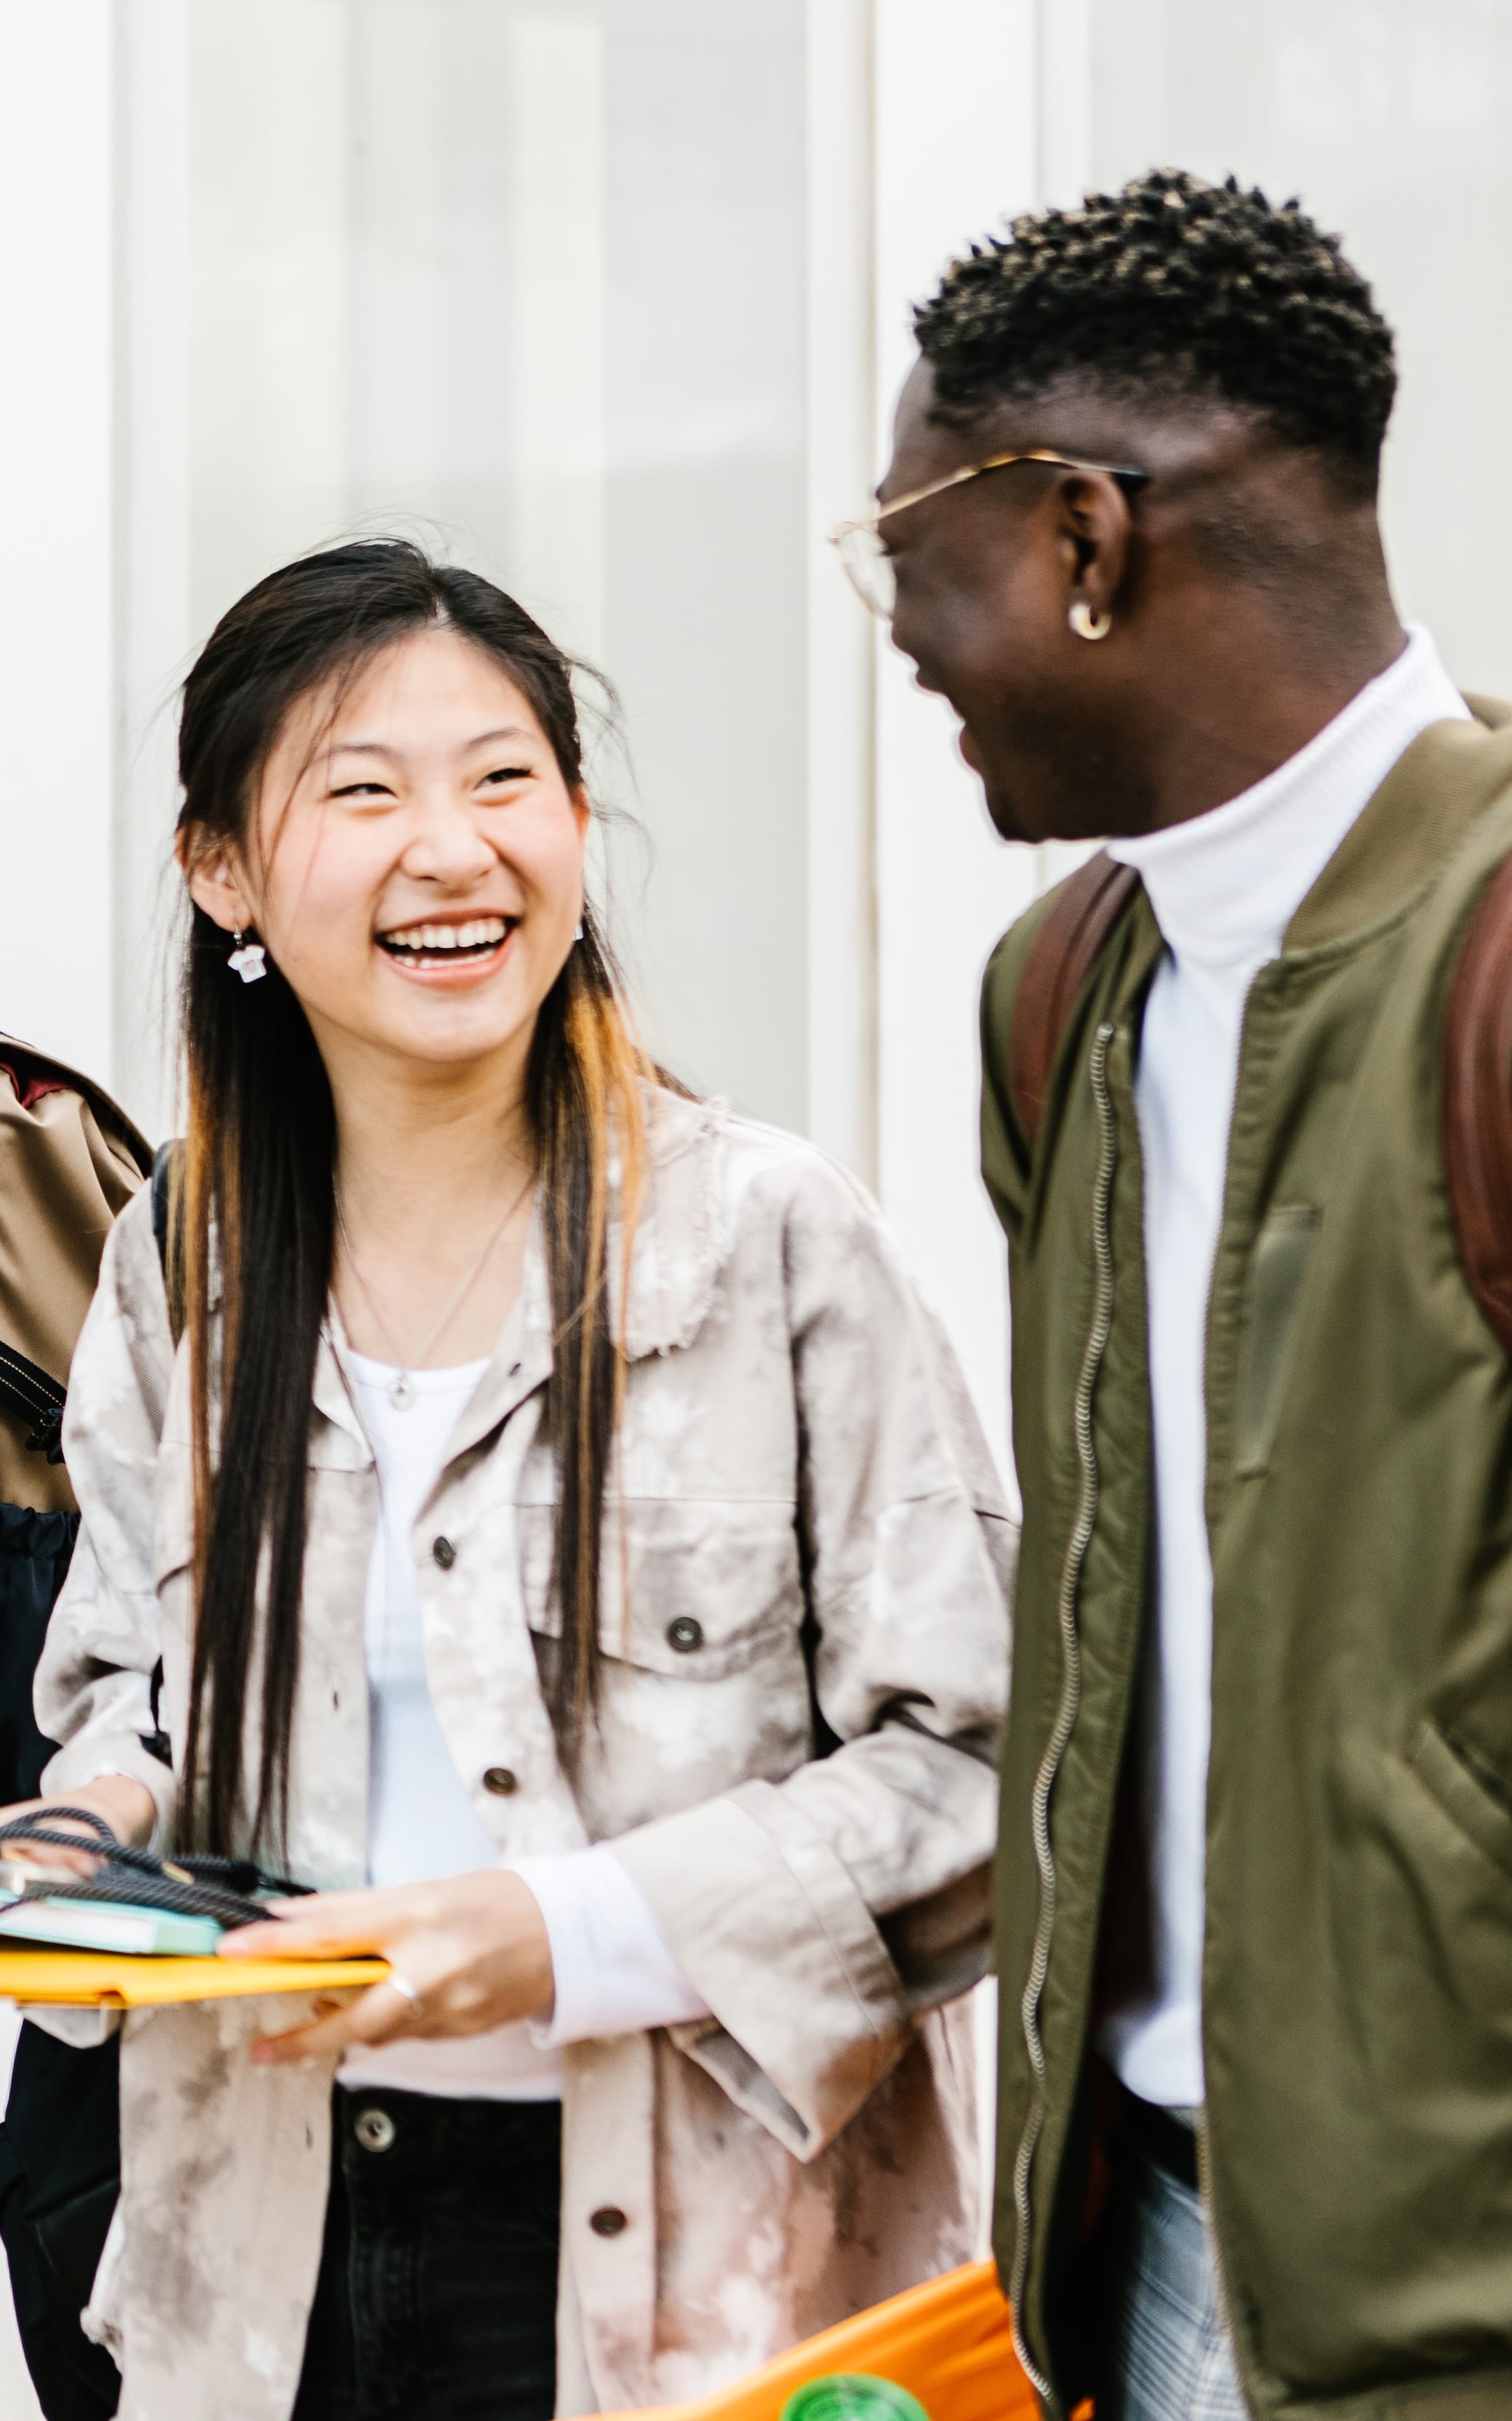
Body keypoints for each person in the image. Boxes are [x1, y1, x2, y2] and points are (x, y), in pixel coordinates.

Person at [1, 540, 1015, 2420]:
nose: (451, 849)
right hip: (266, 2257)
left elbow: (982, 1765)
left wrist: (564, 1933)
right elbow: (124, 1683)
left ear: (575, 825)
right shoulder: (181, 1256)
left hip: (701, 2277)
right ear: (220, 869)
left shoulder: (770, 1244)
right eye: (363, 791)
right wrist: (94, 1828)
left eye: (501, 779)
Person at [854, 170, 1512, 2418]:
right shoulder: (1062, 996)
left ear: (1084, 538)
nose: (898, 628)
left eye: (905, 543)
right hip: (1134, 2258)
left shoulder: (1490, 953)